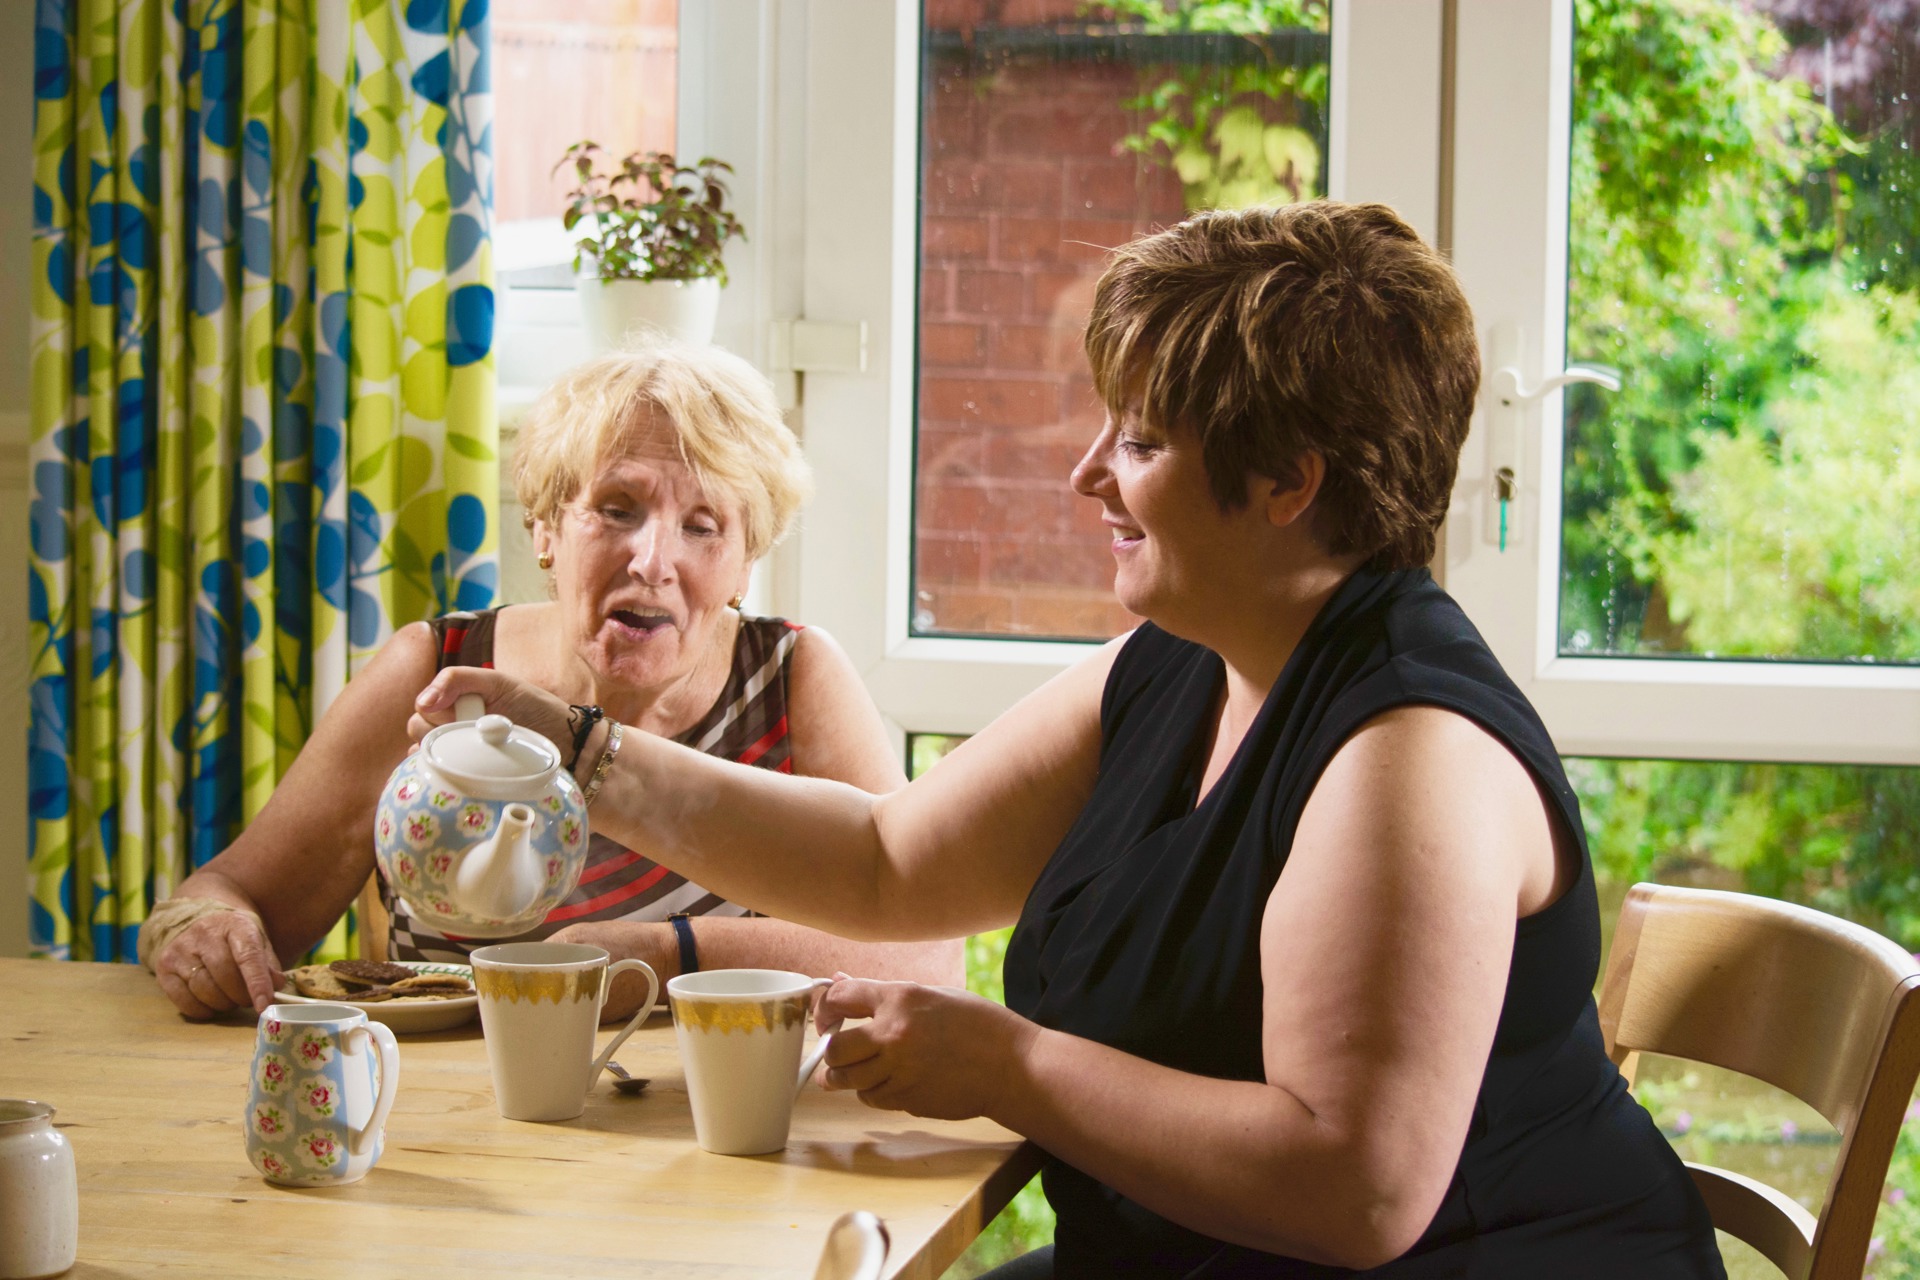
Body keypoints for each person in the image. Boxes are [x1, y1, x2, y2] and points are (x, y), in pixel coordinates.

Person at [411, 203, 1726, 1277]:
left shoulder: (1409, 756)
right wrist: (575, 748)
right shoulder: (1186, 662)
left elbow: (1357, 1189)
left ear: (1287, 481)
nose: (1088, 472)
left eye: (1140, 439)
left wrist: (1009, 1062)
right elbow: (886, 862)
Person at [139, 340, 960, 1020]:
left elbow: (926, 953)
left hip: (699, 1120)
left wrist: (665, 955)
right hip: (445, 1124)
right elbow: (230, 893)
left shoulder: (791, 680)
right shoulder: (438, 673)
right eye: (617, 508)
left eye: (703, 525)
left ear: (746, 563)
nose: (653, 560)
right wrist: (206, 931)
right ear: (544, 527)